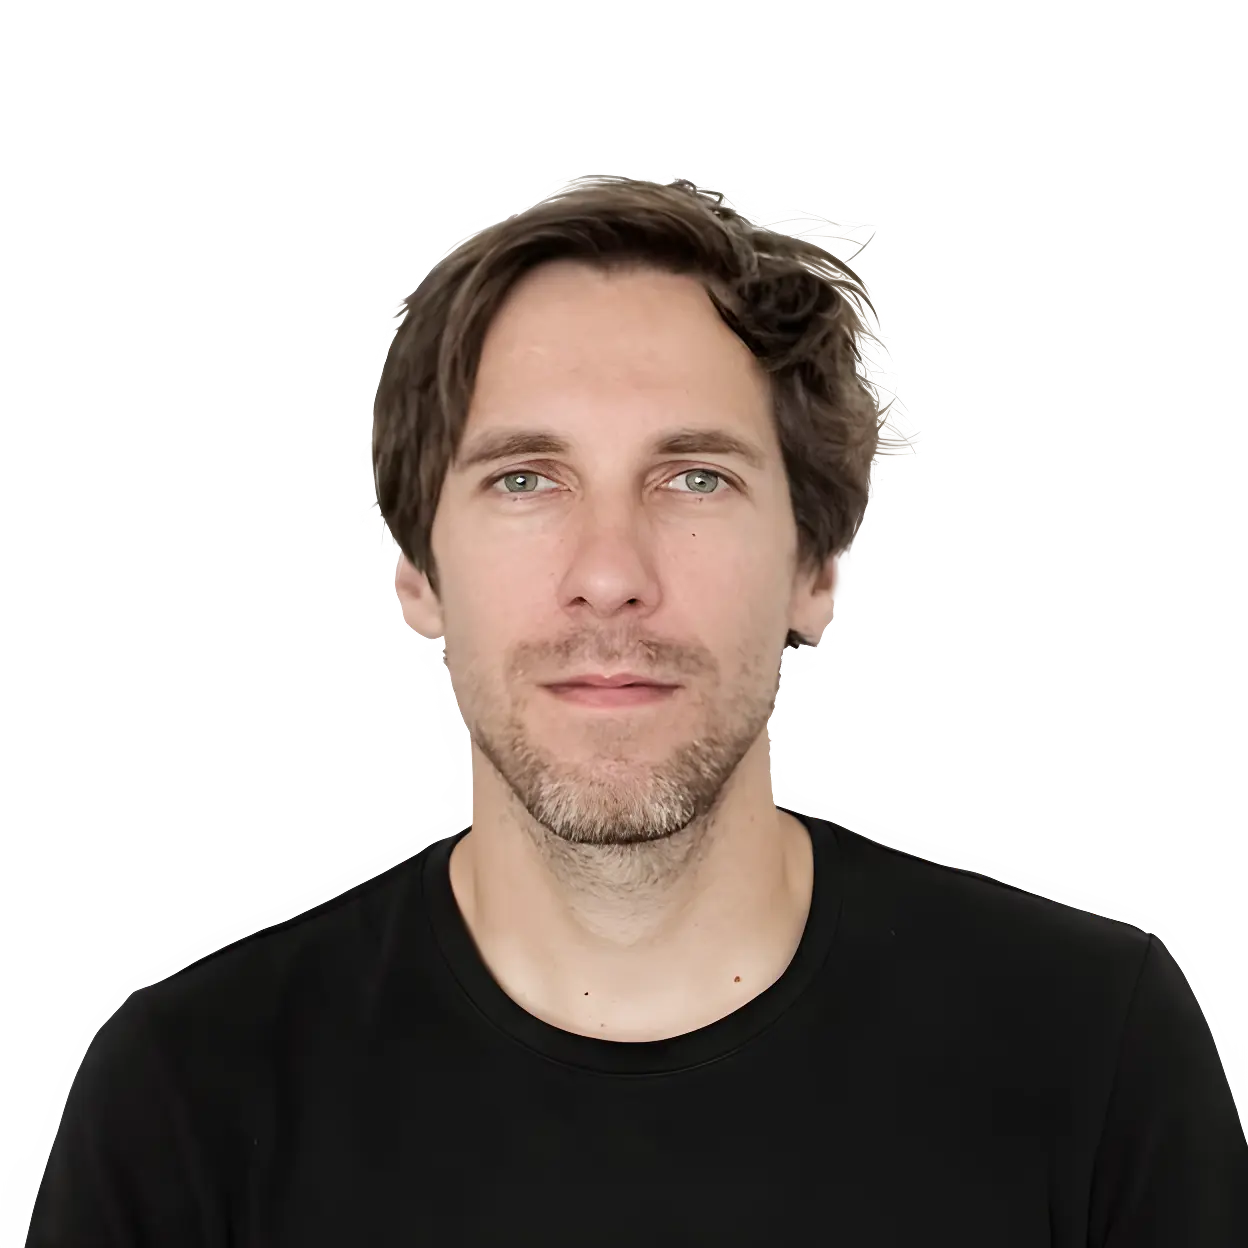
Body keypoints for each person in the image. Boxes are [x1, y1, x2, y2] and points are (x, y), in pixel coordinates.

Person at [25, 176, 1246, 1245]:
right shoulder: (188, 1096)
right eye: (525, 479)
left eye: (694, 476)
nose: (609, 573)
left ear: (819, 565)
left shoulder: (1096, 1049)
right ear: (415, 572)